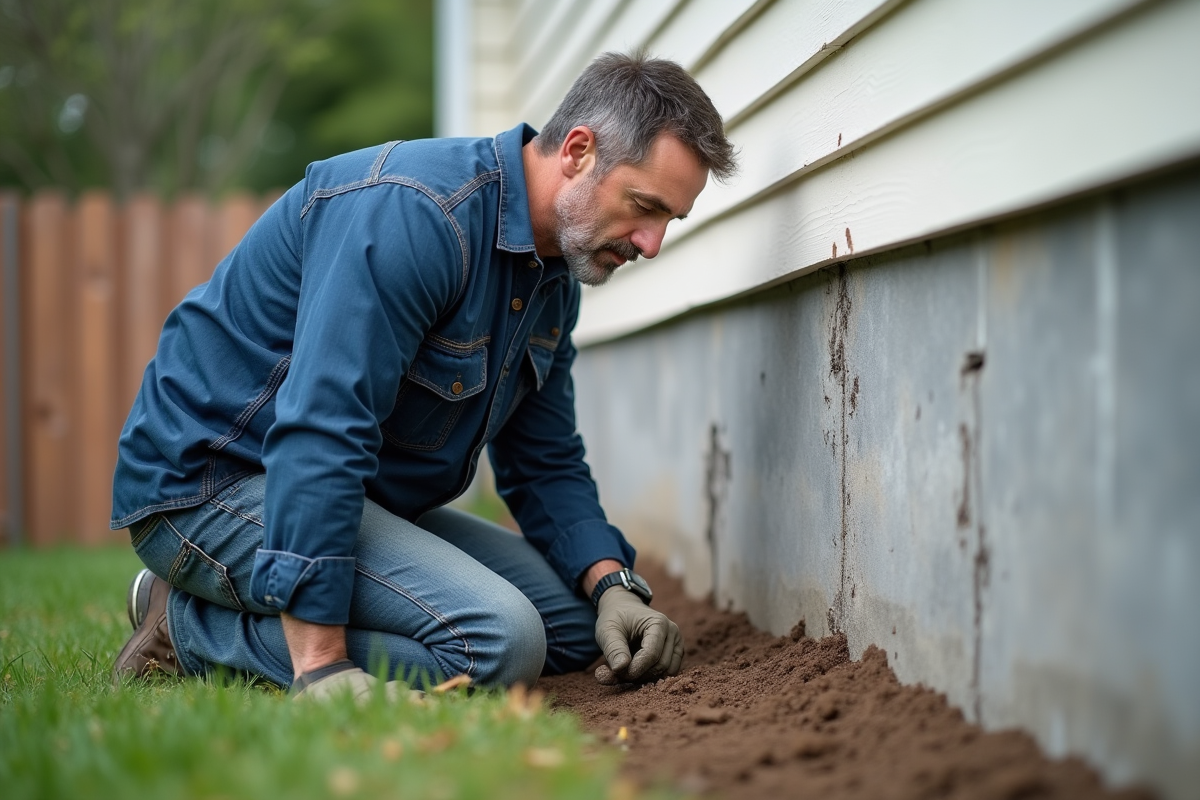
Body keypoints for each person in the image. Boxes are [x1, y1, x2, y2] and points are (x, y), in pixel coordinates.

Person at [110, 51, 737, 700]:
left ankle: (236, 607)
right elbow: (323, 430)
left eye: (670, 221)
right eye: (645, 206)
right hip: (211, 482)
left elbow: (544, 461)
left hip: (347, 492)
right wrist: (322, 664)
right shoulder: (418, 217)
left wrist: (612, 584)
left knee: (579, 628)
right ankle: (187, 629)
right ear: (578, 151)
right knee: (503, 641)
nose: (653, 243)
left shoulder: (552, 278)